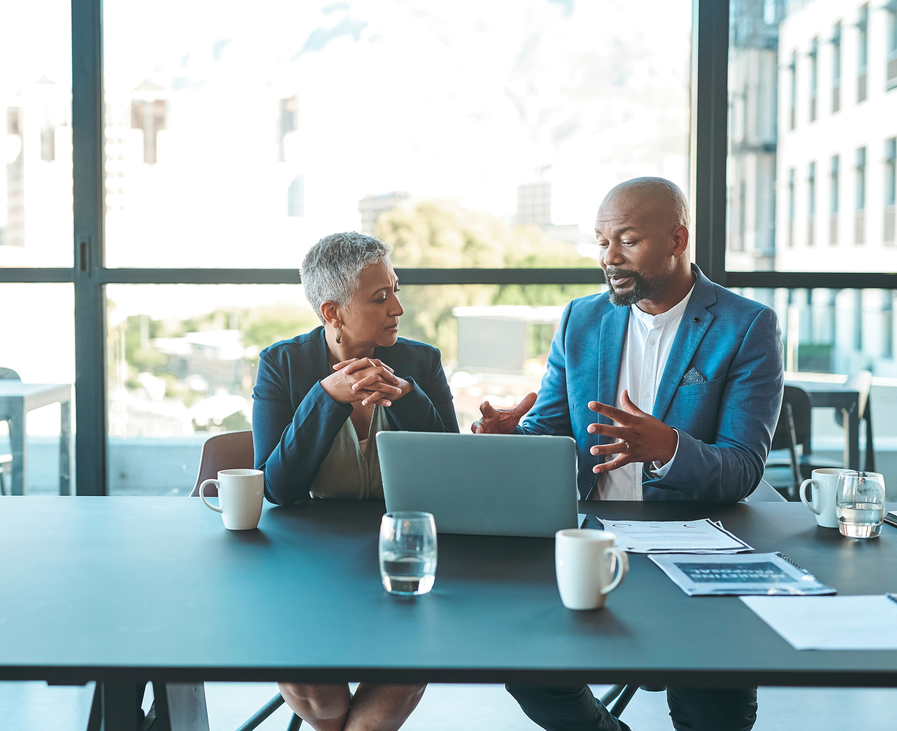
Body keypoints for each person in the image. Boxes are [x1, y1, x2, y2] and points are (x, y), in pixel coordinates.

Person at [473, 177, 782, 731]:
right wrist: (509, 442)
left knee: (715, 709)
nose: (608, 257)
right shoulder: (580, 319)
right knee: (529, 670)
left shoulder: (746, 325)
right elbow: (550, 432)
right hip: (594, 538)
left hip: (696, 543)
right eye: (601, 241)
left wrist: (668, 447)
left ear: (677, 239)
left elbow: (741, 467)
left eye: (628, 240)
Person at [253, 231, 458, 731]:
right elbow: (277, 487)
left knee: (402, 677)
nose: (398, 309)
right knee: (317, 693)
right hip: (303, 559)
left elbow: (452, 469)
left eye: (396, 290)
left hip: (400, 554)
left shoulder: (421, 362)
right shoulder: (282, 364)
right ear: (332, 312)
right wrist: (326, 398)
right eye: (380, 297)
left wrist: (408, 396)